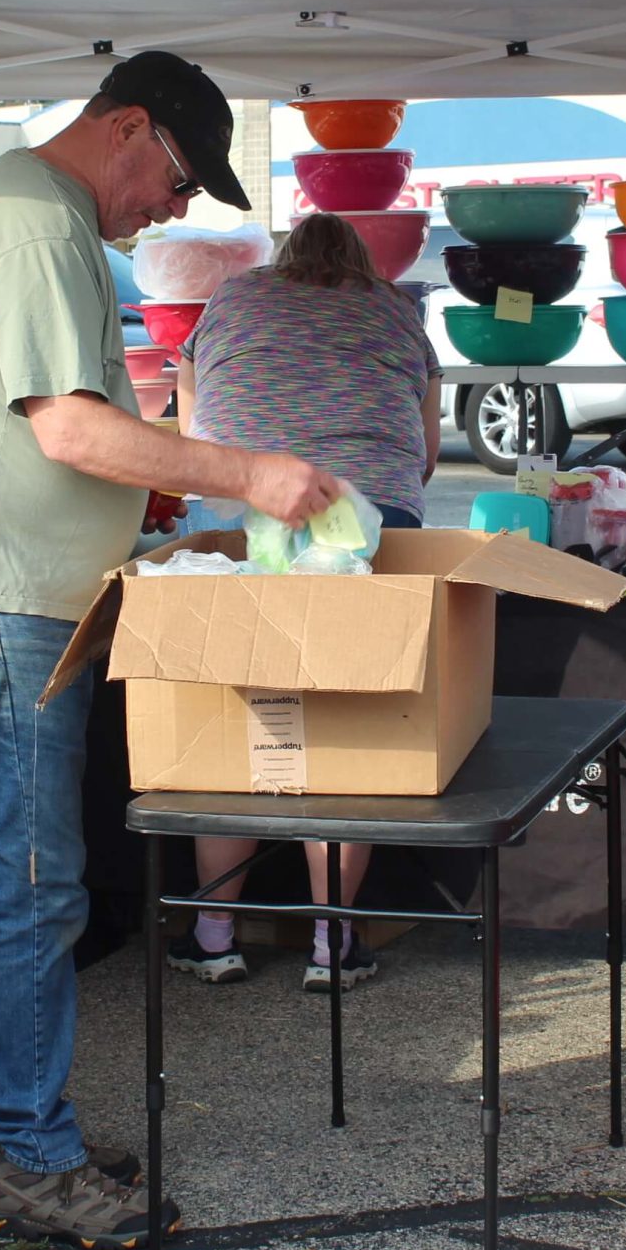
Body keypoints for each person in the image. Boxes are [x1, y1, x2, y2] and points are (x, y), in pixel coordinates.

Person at [0, 51, 339, 1250]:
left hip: (0, 597)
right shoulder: (37, 222)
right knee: (30, 889)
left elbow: (59, 432)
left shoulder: (24, 208)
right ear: (125, 126)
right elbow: (73, 430)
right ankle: (31, 1163)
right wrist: (249, 472)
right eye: (177, 180)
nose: (171, 210)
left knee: (21, 884)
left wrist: (153, 499)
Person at [162, 209, 443, 994]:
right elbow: (423, 454)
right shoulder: (396, 310)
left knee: (234, 719)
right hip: (370, 517)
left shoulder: (233, 297)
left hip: (237, 513)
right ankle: (332, 943)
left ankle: (214, 935)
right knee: (344, 725)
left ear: (283, 258)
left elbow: (190, 421)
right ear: (363, 264)